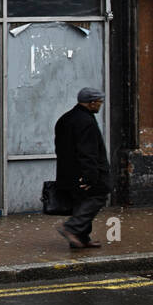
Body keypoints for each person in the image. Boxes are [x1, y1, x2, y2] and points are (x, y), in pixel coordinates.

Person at [53, 86, 111, 250]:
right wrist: (90, 176)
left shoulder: (66, 118)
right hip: (84, 172)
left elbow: (60, 147)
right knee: (97, 196)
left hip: (68, 172)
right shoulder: (86, 121)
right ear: (91, 103)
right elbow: (88, 151)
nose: (100, 105)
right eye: (99, 102)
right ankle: (71, 228)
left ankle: (81, 238)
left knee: (81, 202)